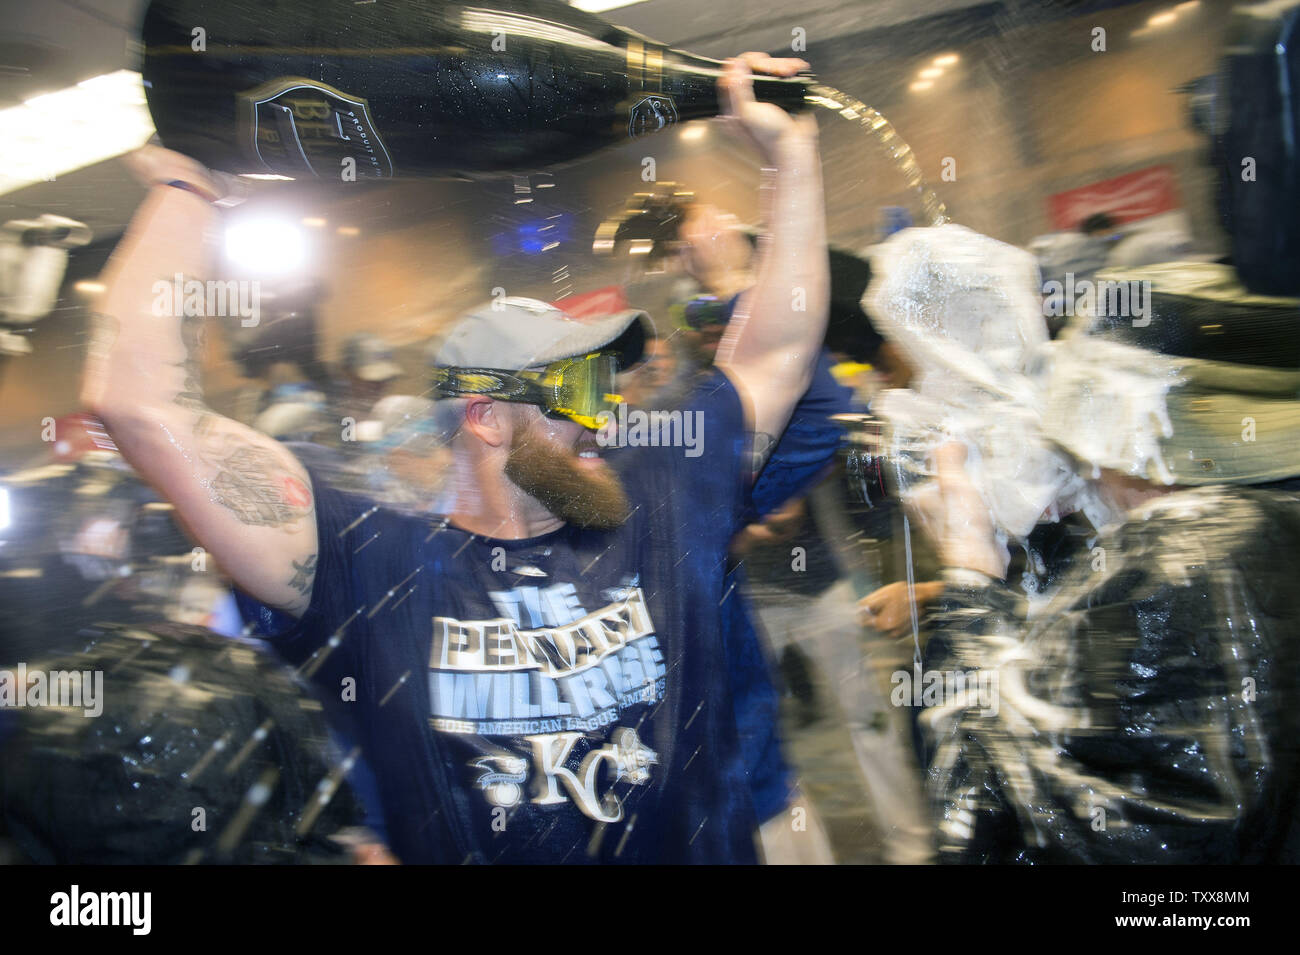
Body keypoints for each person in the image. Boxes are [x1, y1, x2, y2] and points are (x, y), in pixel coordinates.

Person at [81, 53, 827, 864]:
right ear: (485, 416)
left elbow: (775, 348)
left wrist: (793, 158)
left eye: (605, 385)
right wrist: (189, 187)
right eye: (574, 389)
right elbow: (141, 407)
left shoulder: (663, 494)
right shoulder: (374, 569)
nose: (605, 411)